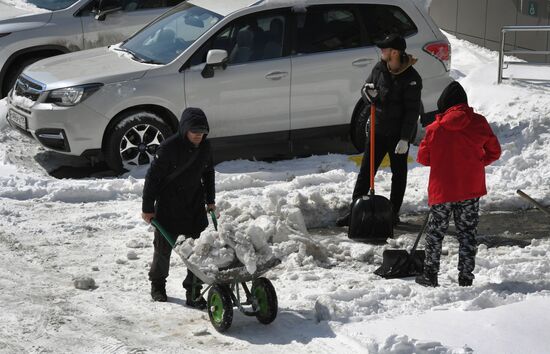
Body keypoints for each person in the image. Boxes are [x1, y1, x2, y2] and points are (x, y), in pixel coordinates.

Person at [415, 81, 501, 287]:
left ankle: (430, 275)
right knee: (467, 234)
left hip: (442, 191)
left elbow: (423, 158)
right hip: (470, 191)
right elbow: (494, 152)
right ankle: (466, 278)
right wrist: (478, 162)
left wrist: (443, 159)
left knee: (436, 233)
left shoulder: (434, 129)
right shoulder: (479, 123)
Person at [336, 33, 422, 227]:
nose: (381, 51)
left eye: (385, 49)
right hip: (378, 129)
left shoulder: (412, 78)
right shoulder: (379, 68)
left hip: (399, 135)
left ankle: (393, 213)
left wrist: (405, 139)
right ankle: (355, 211)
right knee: (366, 172)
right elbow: (366, 90)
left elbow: (412, 111)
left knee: (399, 174)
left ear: (395, 52)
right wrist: (368, 95)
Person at [141, 107, 215, 306]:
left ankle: (194, 291)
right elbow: (152, 178)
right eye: (194, 131)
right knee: (163, 250)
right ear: (184, 129)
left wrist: (210, 200)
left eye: (202, 132)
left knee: (198, 251)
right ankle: (157, 285)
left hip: (194, 205)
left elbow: (208, 172)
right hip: (169, 207)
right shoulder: (168, 148)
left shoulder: (205, 147)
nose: (199, 136)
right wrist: (147, 208)